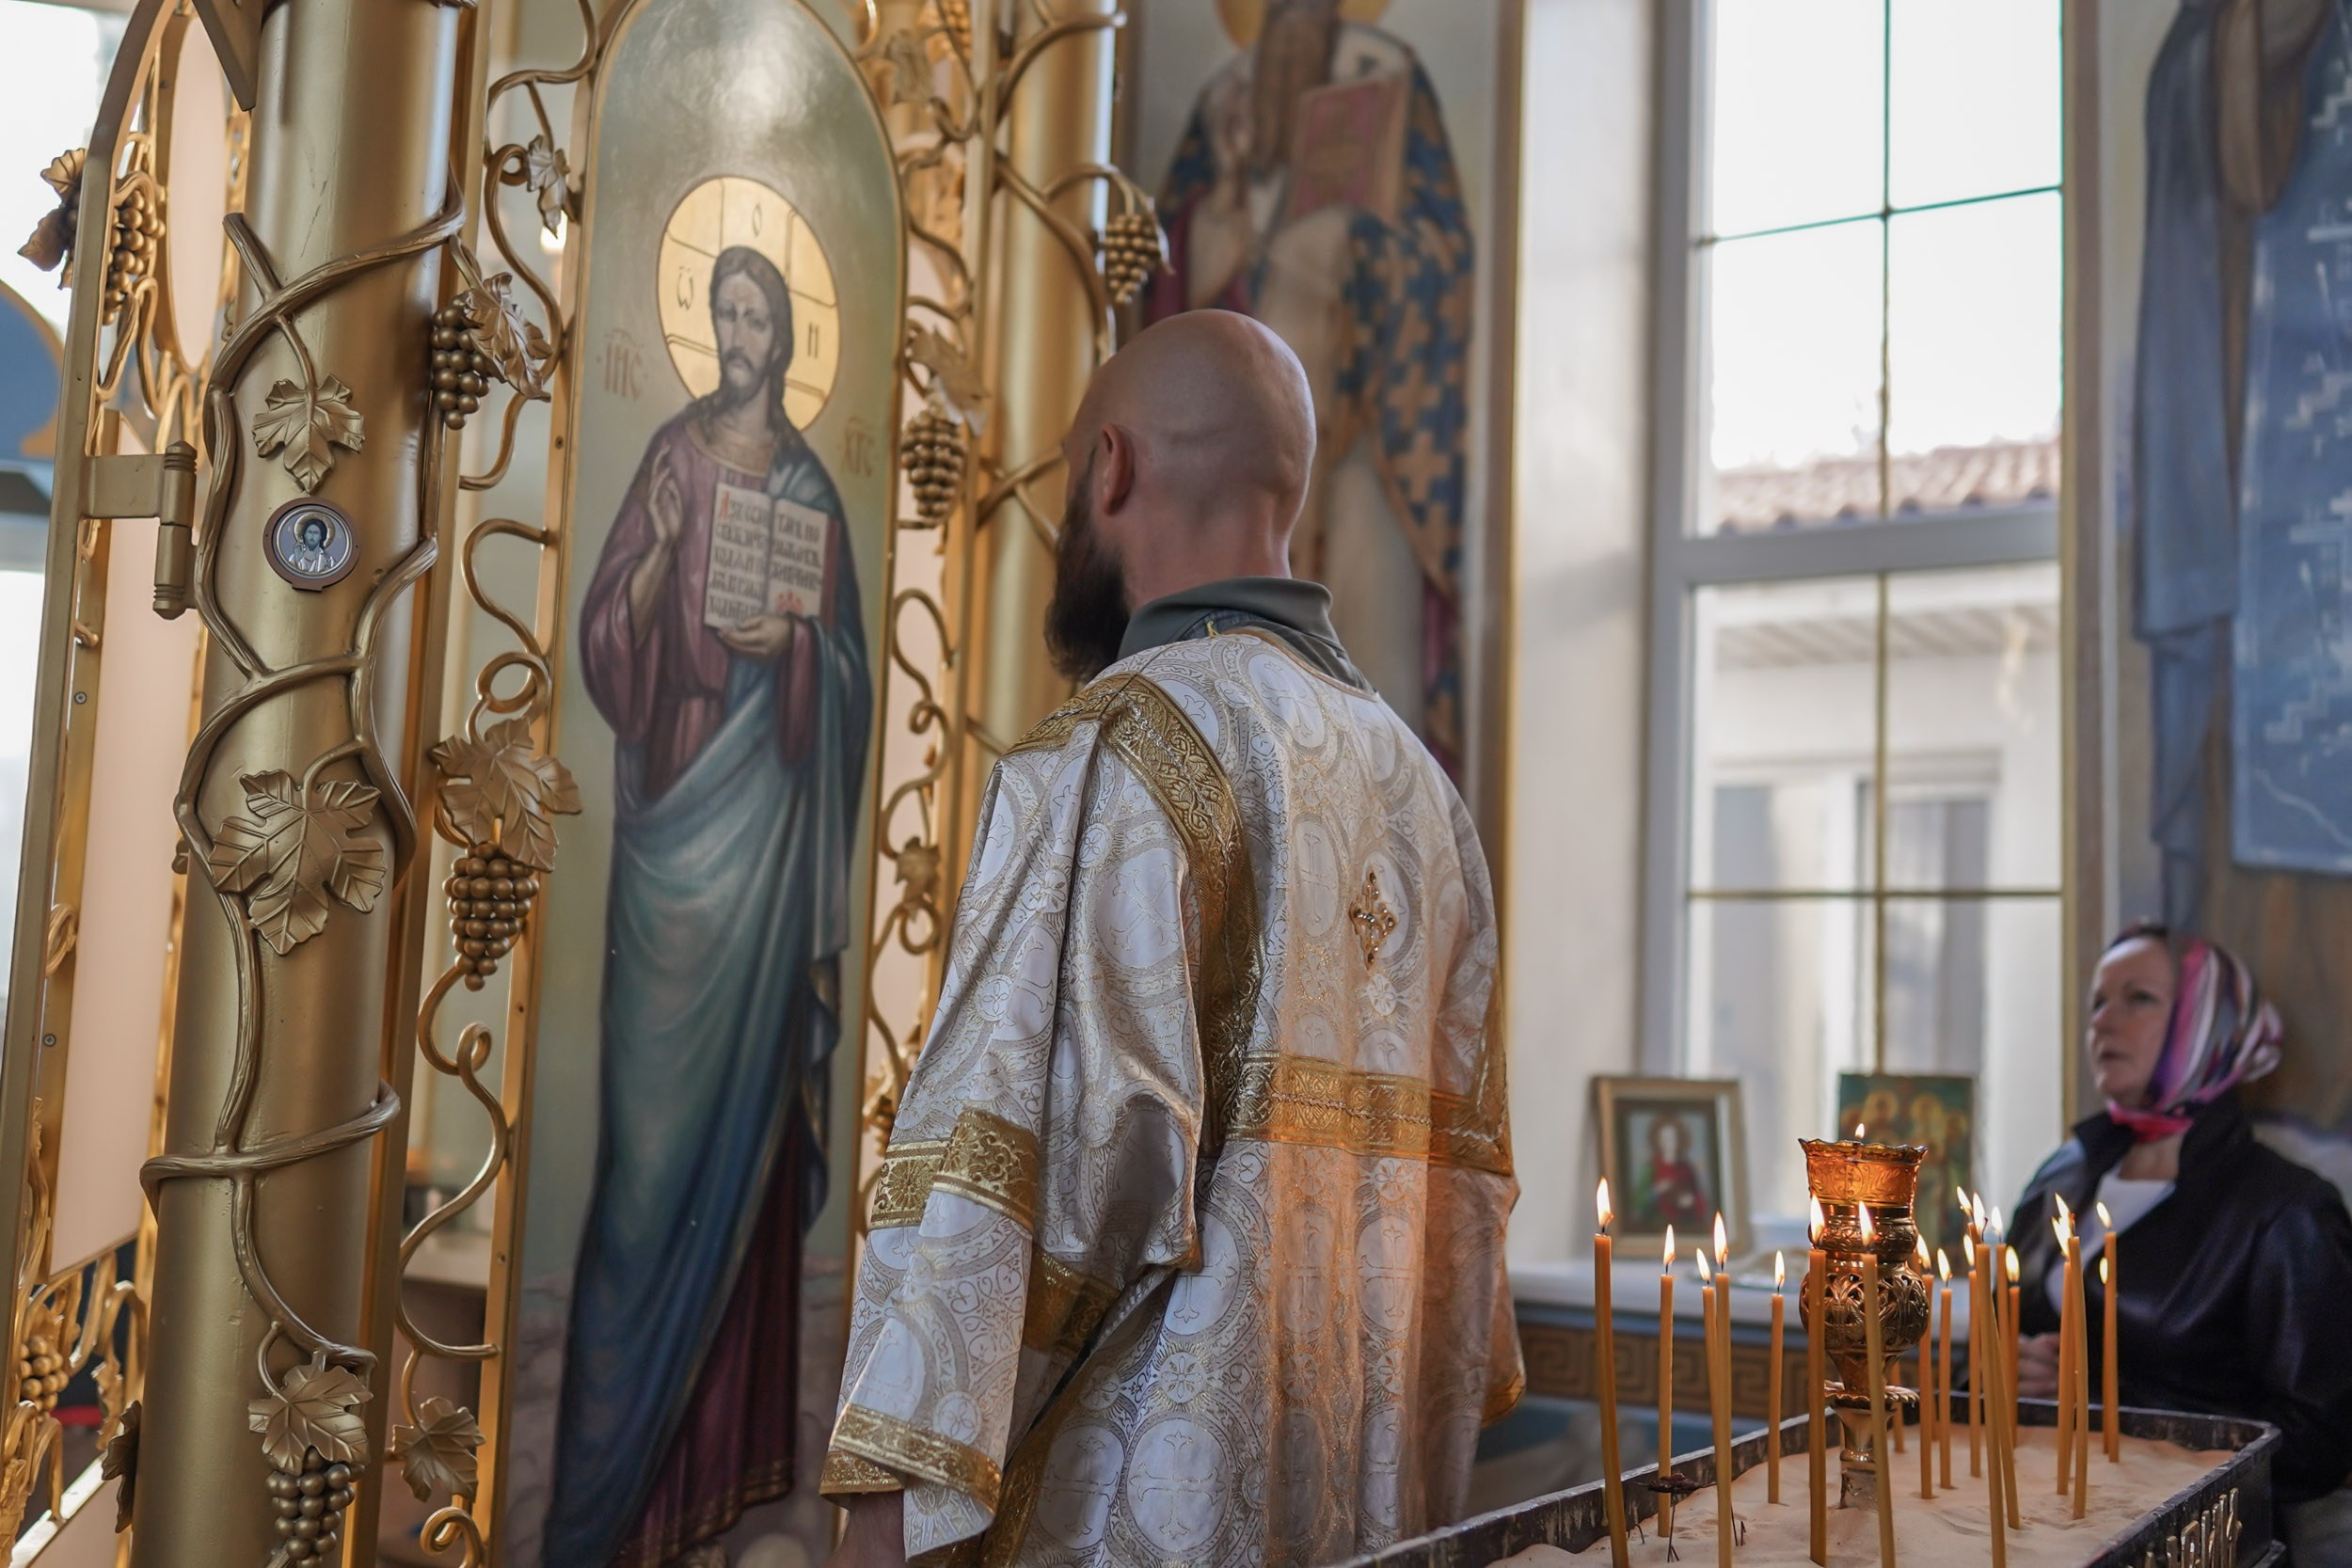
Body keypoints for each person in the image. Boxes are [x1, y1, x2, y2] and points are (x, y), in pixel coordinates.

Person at [820, 310, 1518, 1568]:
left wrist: (892, 1496)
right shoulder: (1428, 797)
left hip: (1128, 1521)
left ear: (1110, 470)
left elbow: (1026, 1181)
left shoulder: (1116, 744)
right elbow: (1462, 1271)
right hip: (1357, 1521)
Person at [546, 245, 871, 1563]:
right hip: (669, 853)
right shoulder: (674, 461)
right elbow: (605, 650)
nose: (741, 333)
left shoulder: (811, 488)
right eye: (724, 312)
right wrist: (659, 566)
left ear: (788, 332)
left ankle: (723, 1472)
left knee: (745, 1153)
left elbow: (845, 675)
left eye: (759, 314)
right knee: (640, 1167)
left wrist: (791, 649)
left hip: (768, 862)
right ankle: (593, 1492)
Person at [2010, 924, 2352, 1557]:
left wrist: (2106, 1410)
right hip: (2039, 1529)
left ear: (2211, 1025)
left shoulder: (2285, 1209)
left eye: (2138, 998)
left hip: (2198, 1550)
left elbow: (2320, 1443)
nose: (2104, 1020)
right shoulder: (2062, 1174)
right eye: (2097, 1001)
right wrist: (1997, 1375)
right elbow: (1996, 1338)